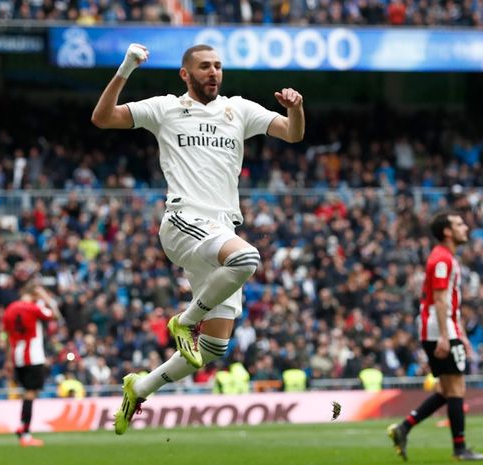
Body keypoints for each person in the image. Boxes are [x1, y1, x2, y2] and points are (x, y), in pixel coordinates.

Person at [92, 43, 305, 435]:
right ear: (185, 74)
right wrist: (125, 68)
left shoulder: (238, 109)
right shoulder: (165, 108)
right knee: (247, 260)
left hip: (222, 229)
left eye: (218, 66)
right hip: (185, 219)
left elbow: (293, 134)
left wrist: (295, 107)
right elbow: (103, 118)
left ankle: (140, 387)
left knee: (211, 351)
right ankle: (185, 321)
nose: (214, 72)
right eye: (205, 66)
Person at [387, 212, 483, 461]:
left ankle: (404, 428)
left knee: (447, 389)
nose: (465, 227)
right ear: (447, 231)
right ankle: (460, 449)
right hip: (438, 328)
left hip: (442, 327)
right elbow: (440, 299)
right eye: (459, 224)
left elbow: (450, 303)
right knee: (456, 387)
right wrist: (446, 336)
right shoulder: (442, 260)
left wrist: (460, 333)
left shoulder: (446, 258)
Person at [2, 283, 62, 447]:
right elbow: (56, 315)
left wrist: (7, 360)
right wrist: (46, 297)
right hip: (33, 357)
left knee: (27, 392)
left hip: (17, 357)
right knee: (31, 393)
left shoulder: (9, 309)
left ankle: (24, 428)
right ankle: (25, 431)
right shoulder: (33, 308)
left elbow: (7, 337)